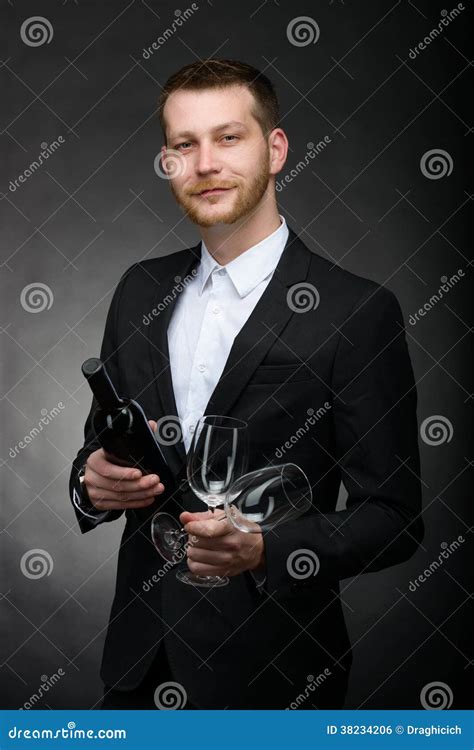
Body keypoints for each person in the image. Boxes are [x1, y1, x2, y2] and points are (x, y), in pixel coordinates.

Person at [69, 59, 424, 710]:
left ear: (276, 148)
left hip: (277, 677)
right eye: (184, 144)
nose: (205, 163)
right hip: (137, 666)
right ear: (168, 162)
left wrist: (265, 550)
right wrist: (92, 482)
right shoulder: (139, 290)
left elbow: (397, 519)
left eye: (228, 138)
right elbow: (104, 445)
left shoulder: (356, 311)